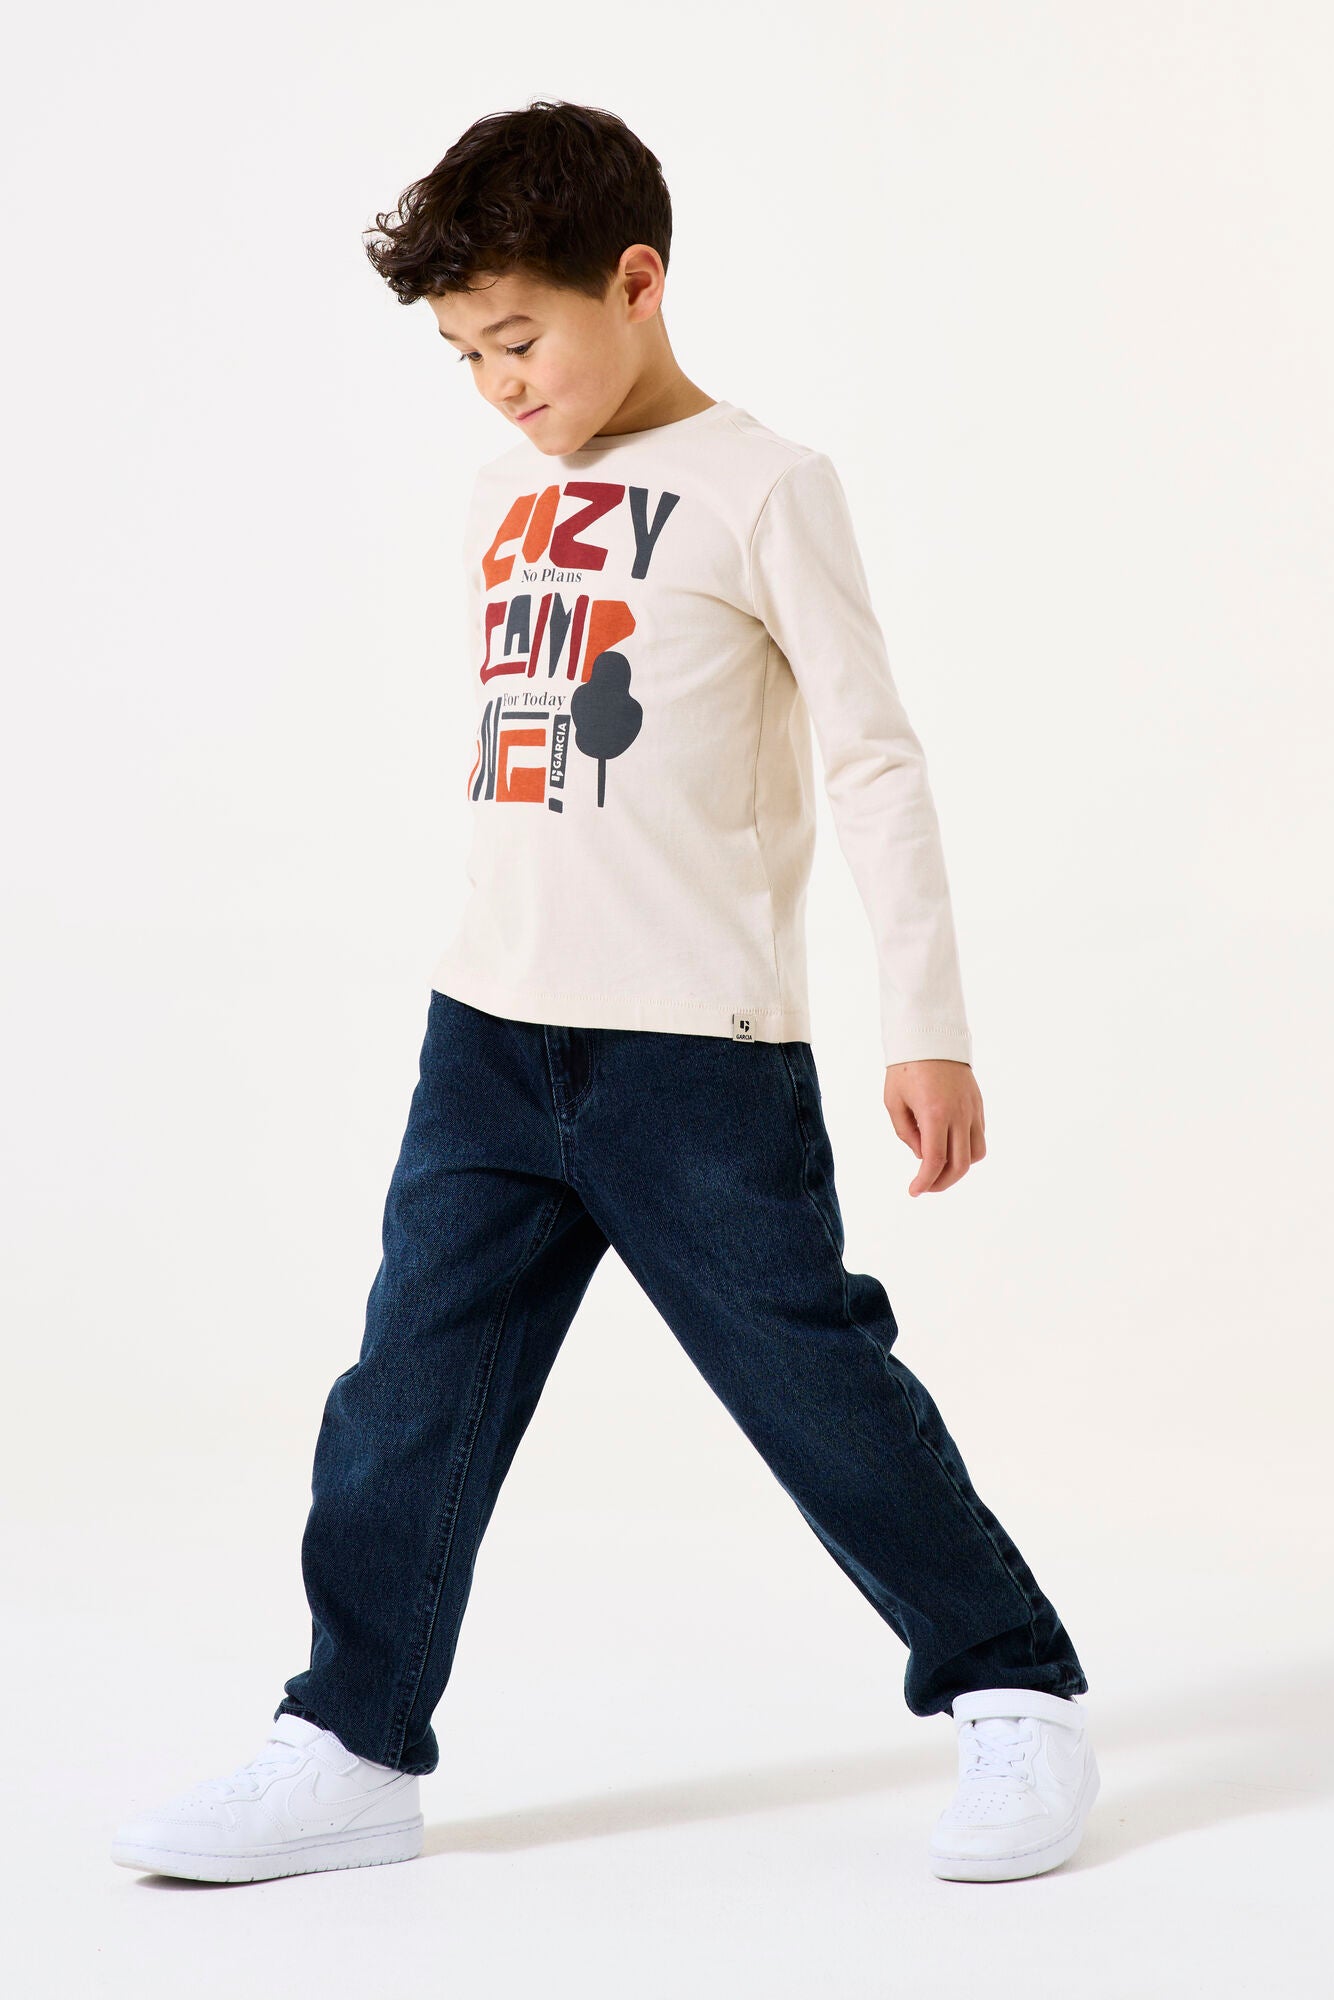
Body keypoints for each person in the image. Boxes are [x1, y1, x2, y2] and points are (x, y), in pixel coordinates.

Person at [112, 98, 1097, 1888]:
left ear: (635, 284)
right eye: (463, 354)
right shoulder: (507, 493)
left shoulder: (763, 485)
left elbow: (873, 760)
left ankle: (1011, 1687)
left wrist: (928, 1022)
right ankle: (349, 1739)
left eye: (520, 338)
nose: (497, 383)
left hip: (691, 1052)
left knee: (812, 1384)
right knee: (405, 1394)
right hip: (486, 1035)